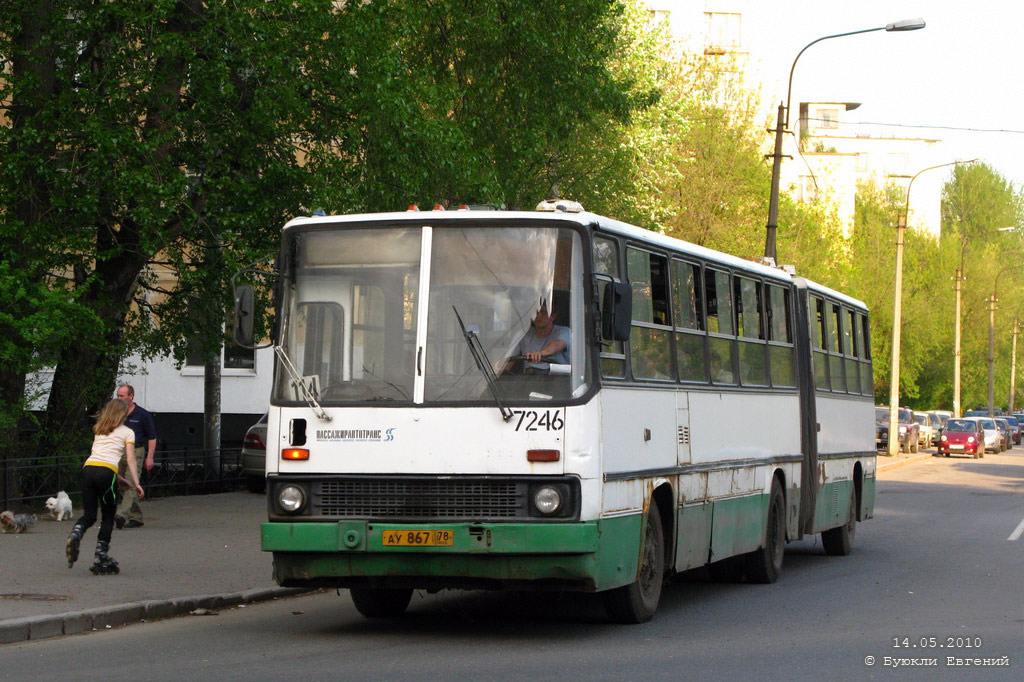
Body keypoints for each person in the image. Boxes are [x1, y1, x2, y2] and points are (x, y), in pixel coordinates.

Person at [66, 399, 145, 574]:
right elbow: (130, 459)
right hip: (106, 473)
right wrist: (136, 483)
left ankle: (75, 534)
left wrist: (119, 479)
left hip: (88, 470)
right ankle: (100, 555)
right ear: (123, 414)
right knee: (108, 516)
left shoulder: (99, 429)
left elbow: (101, 458)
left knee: (89, 514)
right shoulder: (127, 432)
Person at [114, 384, 157, 528]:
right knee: (121, 484)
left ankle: (121, 514)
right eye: (118, 395)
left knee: (130, 483)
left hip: (136, 451)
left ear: (130, 396)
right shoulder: (116, 413)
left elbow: (152, 437)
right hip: (120, 451)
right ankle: (136, 517)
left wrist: (149, 457)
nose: (119, 398)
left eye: (122, 396)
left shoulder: (142, 415)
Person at [501, 300, 571, 373]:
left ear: (553, 316)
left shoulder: (565, 332)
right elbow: (509, 360)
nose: (539, 315)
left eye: (544, 312)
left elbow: (558, 344)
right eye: (536, 312)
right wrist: (499, 368)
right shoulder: (523, 334)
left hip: (558, 380)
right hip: (529, 380)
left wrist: (541, 353)